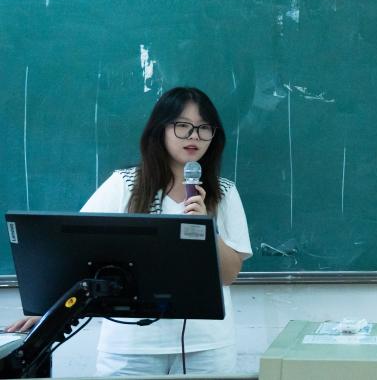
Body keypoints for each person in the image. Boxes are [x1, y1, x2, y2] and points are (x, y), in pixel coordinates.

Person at [6, 87, 252, 375]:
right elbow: (73, 249)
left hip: (207, 347)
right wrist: (47, 312)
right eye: (183, 125)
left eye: (204, 128)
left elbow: (229, 275)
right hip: (131, 348)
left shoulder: (224, 192)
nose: (194, 136)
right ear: (160, 129)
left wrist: (207, 226)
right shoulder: (124, 184)